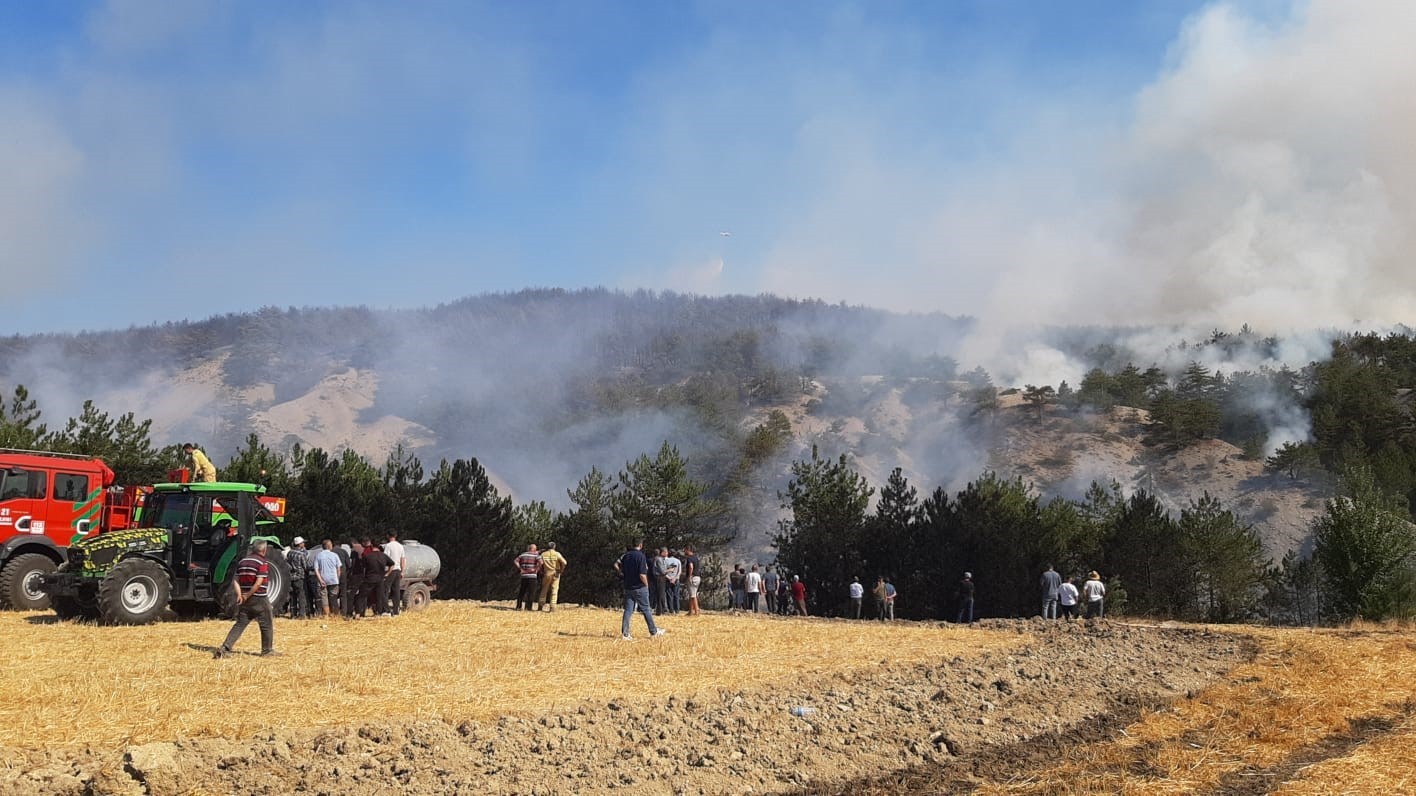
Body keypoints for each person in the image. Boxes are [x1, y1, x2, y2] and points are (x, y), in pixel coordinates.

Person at [214, 540, 278, 658]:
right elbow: (259, 583)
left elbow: (236, 580)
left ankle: (225, 648)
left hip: (245, 599)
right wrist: (247, 595)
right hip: (259, 598)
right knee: (266, 624)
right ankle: (267, 651)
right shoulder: (262, 562)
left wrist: (240, 595)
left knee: (240, 624)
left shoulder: (243, 561)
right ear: (264, 550)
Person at [614, 540, 665, 641]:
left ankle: (625, 633)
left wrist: (621, 573)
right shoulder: (641, 556)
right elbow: (642, 574)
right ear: (640, 545)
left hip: (628, 586)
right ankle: (653, 631)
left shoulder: (626, 556)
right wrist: (646, 585)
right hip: (639, 586)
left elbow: (615, 564)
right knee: (646, 609)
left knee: (628, 610)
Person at [358, 540, 392, 618]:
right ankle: (379, 613)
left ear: (372, 546)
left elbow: (363, 567)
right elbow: (392, 564)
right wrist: (387, 573)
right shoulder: (383, 555)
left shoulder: (368, 556)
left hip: (369, 578)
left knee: (362, 595)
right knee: (379, 596)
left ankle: (359, 613)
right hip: (380, 579)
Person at [312, 539, 342, 618]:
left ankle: (326, 615)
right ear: (329, 546)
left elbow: (316, 569)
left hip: (323, 578)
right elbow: (338, 569)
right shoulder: (335, 555)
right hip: (333, 579)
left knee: (324, 597)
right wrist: (337, 578)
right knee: (334, 597)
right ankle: (335, 615)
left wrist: (320, 580)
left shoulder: (318, 555)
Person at [537, 541, 568, 612]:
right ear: (554, 547)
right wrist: (561, 570)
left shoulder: (543, 554)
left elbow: (539, 563)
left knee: (544, 589)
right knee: (554, 590)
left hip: (546, 573)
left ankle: (540, 606)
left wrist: (541, 571)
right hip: (555, 573)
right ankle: (552, 607)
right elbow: (565, 563)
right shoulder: (557, 554)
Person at [285, 537, 311, 619]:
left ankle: (293, 614)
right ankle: (302, 614)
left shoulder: (289, 553)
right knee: (301, 596)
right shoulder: (301, 554)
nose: (304, 544)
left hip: (291, 577)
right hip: (299, 577)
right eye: (303, 543)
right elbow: (305, 566)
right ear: (300, 544)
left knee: (293, 596)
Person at [382, 532, 407, 616]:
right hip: (398, 570)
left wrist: (386, 572)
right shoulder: (400, 546)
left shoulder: (388, 546)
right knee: (396, 590)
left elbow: (385, 559)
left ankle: (386, 610)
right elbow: (403, 559)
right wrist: (403, 571)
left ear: (387, 536)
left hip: (391, 570)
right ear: (396, 536)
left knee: (385, 589)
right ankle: (396, 610)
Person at [514, 544, 542, 611]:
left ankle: (518, 606)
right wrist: (536, 569)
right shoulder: (536, 555)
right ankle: (528, 607)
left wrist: (520, 568)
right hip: (532, 576)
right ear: (534, 549)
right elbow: (541, 562)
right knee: (531, 592)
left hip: (524, 575)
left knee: (522, 591)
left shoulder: (523, 554)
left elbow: (515, 561)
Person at [345, 541, 367, 618]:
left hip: (355, 575)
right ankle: (361, 612)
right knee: (362, 595)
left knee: (351, 594)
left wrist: (350, 573)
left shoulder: (354, 551)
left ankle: (349, 612)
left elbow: (353, 564)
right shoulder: (364, 549)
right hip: (364, 575)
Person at [682, 546, 701, 616]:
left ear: (688, 550)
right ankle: (690, 611)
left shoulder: (689, 558)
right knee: (692, 594)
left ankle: (696, 611)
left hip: (692, 578)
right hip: (698, 577)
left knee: (693, 596)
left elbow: (691, 567)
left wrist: (689, 576)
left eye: (685, 550)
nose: (684, 551)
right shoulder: (696, 558)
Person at [663, 549, 682, 614]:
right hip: (676, 580)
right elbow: (679, 571)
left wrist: (669, 578)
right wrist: (675, 578)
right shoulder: (678, 561)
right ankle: (677, 610)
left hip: (668, 580)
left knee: (669, 595)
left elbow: (663, 572)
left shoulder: (665, 561)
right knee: (676, 595)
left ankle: (671, 610)